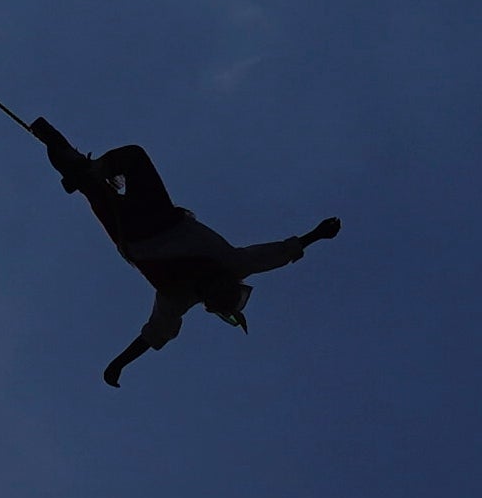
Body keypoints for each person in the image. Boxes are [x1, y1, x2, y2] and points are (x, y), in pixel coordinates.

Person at [32, 117, 341, 387]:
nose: (213, 286)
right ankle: (85, 168)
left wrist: (118, 365)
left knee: (86, 178)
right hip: (159, 218)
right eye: (221, 288)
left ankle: (81, 167)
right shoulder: (231, 264)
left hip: (134, 236)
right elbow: (275, 255)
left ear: (208, 300)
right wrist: (316, 234)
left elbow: (154, 334)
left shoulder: (179, 298)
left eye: (213, 294)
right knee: (130, 159)